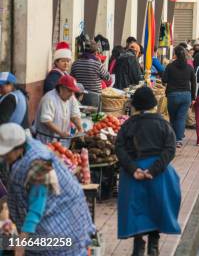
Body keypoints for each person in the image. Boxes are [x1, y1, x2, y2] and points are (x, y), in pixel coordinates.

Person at [0, 123, 95, 256]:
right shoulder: (24, 148)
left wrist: (21, 243)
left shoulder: (38, 163)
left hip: (60, 225)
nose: (3, 158)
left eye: (5, 154)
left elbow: (36, 208)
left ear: (17, 149)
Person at [115, 87, 180, 256]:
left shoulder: (128, 124)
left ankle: (138, 245)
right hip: (158, 173)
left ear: (135, 105)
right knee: (156, 206)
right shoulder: (163, 124)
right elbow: (170, 149)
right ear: (153, 104)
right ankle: (153, 243)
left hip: (133, 173)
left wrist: (134, 169)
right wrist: (153, 169)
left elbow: (119, 148)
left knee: (136, 208)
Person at [33, 75, 84, 147]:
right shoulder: (49, 98)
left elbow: (74, 115)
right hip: (47, 141)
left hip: (62, 142)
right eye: (69, 90)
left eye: (73, 91)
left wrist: (80, 128)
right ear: (61, 88)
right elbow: (46, 120)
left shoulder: (71, 97)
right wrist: (61, 133)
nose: (72, 94)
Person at [162, 46, 196, 148]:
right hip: (186, 95)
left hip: (173, 94)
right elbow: (193, 83)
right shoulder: (189, 67)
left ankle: (172, 138)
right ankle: (178, 140)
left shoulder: (170, 66)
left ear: (175, 55)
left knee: (173, 117)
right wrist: (193, 97)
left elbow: (164, 80)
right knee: (181, 118)